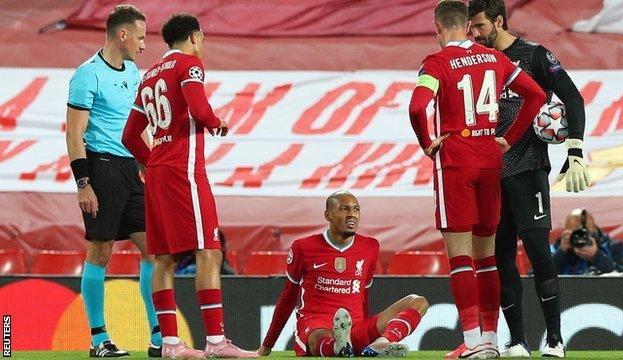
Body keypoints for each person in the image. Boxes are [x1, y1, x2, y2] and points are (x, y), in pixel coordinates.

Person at [408, 1, 547, 358]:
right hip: (489, 157)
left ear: (439, 27)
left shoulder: (435, 63)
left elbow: (417, 105)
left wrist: (427, 143)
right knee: (487, 258)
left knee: (460, 258)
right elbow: (536, 95)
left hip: (455, 158)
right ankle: (489, 342)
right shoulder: (495, 59)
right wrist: (509, 137)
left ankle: (469, 342)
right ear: (469, 27)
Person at [121, 13, 256, 358]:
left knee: (163, 258)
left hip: (159, 173)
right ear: (194, 37)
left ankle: (169, 344)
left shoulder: (149, 75)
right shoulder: (189, 66)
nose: (203, 46)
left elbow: (129, 134)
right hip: (185, 172)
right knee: (209, 252)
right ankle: (215, 342)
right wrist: (216, 121)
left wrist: (150, 163)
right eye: (203, 39)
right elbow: (198, 107)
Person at [468, 0, 591, 356]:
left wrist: (575, 150)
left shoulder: (535, 56)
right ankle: (517, 340)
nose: (475, 34)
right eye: (471, 28)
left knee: (539, 252)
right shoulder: (480, 65)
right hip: (491, 175)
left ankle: (555, 339)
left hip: (529, 169)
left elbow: (572, 97)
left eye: (479, 26)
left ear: (499, 21)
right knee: (502, 257)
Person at [65, 5, 162, 357]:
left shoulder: (134, 72)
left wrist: (149, 166)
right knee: (101, 250)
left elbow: (137, 127)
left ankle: (157, 336)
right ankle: (98, 339)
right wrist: (83, 183)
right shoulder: (87, 75)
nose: (142, 43)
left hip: (131, 169)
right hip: (101, 169)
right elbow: (74, 134)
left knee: (153, 248)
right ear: (122, 34)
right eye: (140, 36)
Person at [258, 191, 429, 358]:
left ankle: (382, 342)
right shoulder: (303, 247)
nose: (352, 215)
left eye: (356, 209)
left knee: (418, 302)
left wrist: (366, 330)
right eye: (344, 209)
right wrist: (267, 345)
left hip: (356, 326)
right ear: (328, 215)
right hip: (316, 324)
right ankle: (338, 346)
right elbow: (288, 298)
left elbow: (364, 294)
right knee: (320, 336)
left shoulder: (370, 246)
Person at [552, 209, 623, 275]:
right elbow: (544, 277)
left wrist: (596, 256)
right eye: (575, 233)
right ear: (566, 231)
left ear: (594, 230)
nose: (580, 238)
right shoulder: (555, 248)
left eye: (584, 233)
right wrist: (561, 253)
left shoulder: (613, 247)